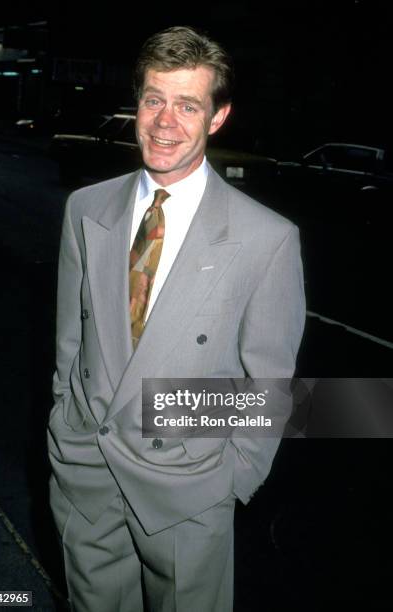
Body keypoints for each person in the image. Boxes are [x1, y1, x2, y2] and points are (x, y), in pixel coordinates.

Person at [47, 25, 306, 612]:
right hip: (87, 472)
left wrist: (232, 480)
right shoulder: (86, 208)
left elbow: (269, 384)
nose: (165, 122)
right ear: (136, 103)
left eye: (188, 105)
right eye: (154, 99)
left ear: (217, 117)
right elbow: (70, 340)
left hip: (187, 489)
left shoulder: (266, 238)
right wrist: (63, 425)